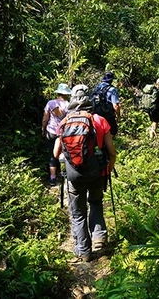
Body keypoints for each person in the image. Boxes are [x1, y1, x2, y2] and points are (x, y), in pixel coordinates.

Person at [53, 84, 117, 262]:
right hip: (96, 172)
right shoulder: (100, 120)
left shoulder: (65, 122)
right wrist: (107, 169)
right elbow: (111, 151)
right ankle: (98, 239)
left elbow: (55, 153)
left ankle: (84, 252)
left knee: (78, 212)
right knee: (95, 203)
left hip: (74, 175)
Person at [42, 83, 72, 186]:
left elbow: (45, 118)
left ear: (58, 93)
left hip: (51, 131)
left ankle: (52, 178)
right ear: (66, 94)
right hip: (62, 133)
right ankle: (64, 174)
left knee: (52, 154)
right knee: (63, 152)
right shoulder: (68, 105)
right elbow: (69, 120)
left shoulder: (50, 103)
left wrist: (43, 129)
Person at [93, 71, 121, 136]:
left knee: (99, 131)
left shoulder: (97, 88)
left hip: (96, 113)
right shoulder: (112, 89)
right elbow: (115, 105)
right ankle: (109, 145)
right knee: (112, 131)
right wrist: (118, 116)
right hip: (108, 115)